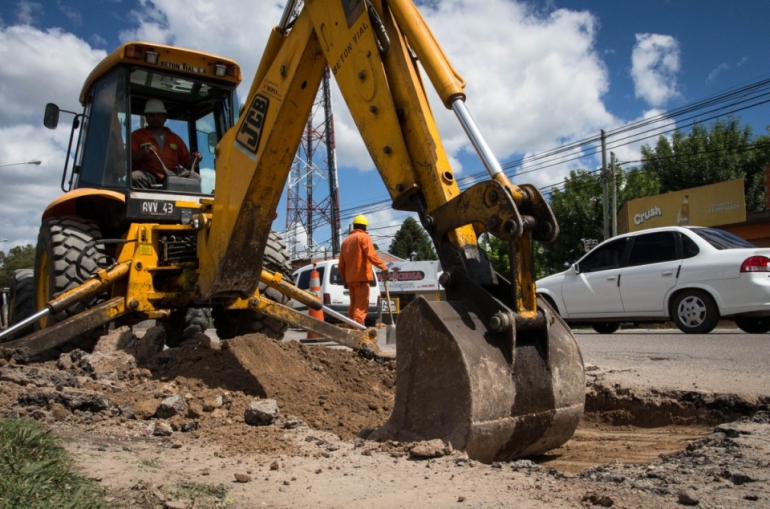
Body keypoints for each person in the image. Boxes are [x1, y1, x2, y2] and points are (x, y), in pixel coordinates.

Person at [131, 99, 202, 188]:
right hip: (148, 175)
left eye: (158, 115)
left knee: (195, 177)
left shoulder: (175, 139)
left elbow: (187, 163)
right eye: (151, 115)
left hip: (174, 175)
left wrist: (196, 159)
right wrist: (144, 152)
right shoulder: (136, 136)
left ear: (165, 118)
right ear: (146, 117)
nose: (155, 117)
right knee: (134, 177)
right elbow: (130, 157)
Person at [338, 214, 389, 326]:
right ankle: (357, 330)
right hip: (361, 278)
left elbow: (341, 265)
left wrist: (345, 281)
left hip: (351, 279)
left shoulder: (345, 242)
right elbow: (372, 255)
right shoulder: (363, 237)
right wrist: (384, 267)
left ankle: (351, 328)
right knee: (361, 307)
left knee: (353, 305)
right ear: (365, 227)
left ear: (354, 226)